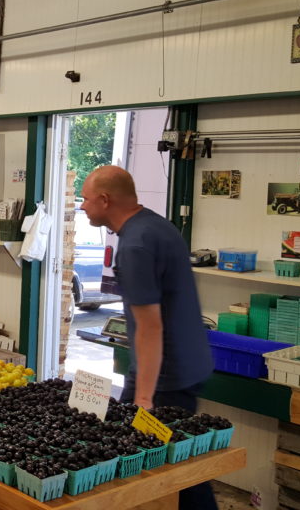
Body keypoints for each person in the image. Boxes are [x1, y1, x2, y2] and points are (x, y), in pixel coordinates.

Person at [80, 165, 216, 509]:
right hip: (185, 363)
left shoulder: (136, 245)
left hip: (164, 375)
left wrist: (143, 397)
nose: (82, 207)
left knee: (171, 472)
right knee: (178, 463)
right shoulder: (157, 226)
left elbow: (151, 327)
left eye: (85, 199)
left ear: (105, 199)